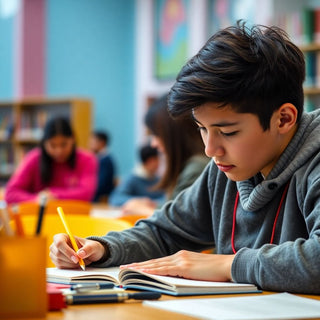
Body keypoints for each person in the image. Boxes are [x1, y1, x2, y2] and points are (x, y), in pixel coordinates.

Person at [50, 22, 320, 294]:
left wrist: (226, 266)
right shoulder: (226, 168)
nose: (210, 149)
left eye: (228, 132)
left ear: (284, 119)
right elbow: (165, 232)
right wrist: (102, 248)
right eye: (202, 129)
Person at [120, 94, 209, 216]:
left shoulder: (197, 167)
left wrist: (142, 209)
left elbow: (181, 220)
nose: (153, 144)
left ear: (174, 134)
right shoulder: (191, 165)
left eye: (156, 134)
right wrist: (156, 206)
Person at [5, 117, 97, 204]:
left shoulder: (87, 159)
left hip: (73, 216)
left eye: (64, 144)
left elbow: (86, 193)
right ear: (44, 143)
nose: (59, 151)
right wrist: (37, 199)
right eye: (52, 145)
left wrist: (54, 195)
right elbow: (10, 193)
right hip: (38, 216)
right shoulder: (34, 158)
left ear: (73, 139)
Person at [88, 130, 116, 202]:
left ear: (101, 142)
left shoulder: (105, 160)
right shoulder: (98, 158)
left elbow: (101, 184)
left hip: (100, 197)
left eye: (92, 142)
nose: (90, 145)